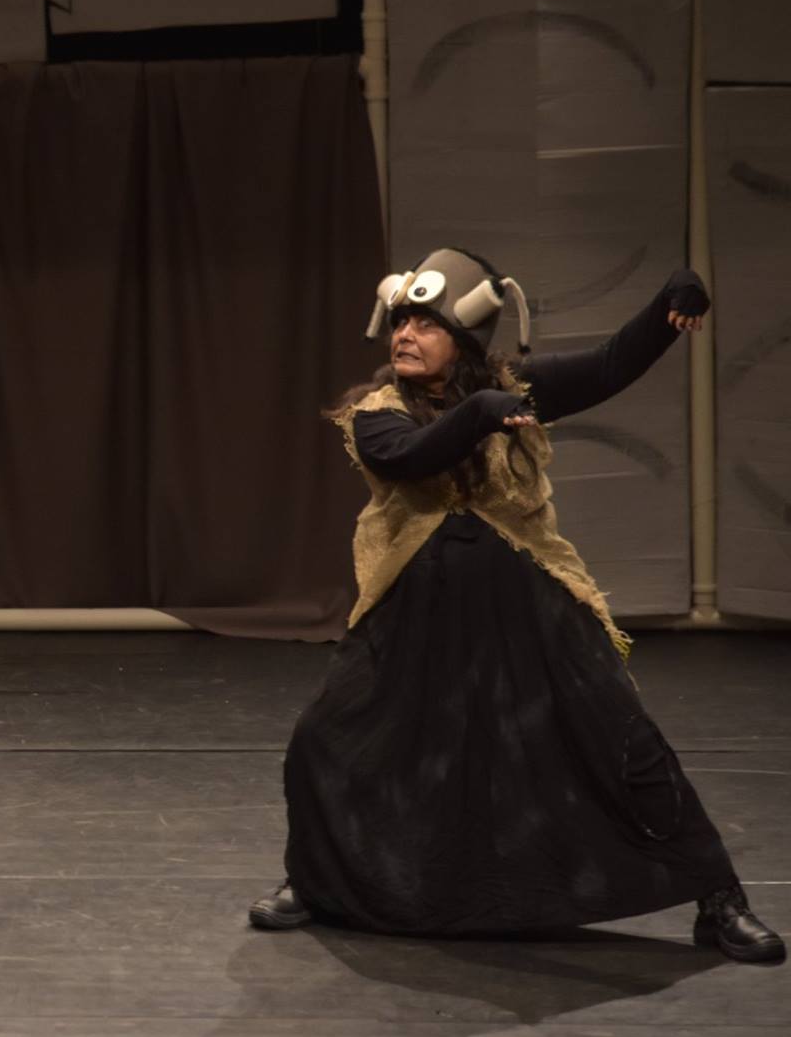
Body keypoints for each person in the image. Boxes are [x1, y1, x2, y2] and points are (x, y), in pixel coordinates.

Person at [251, 247, 784, 966]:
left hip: (532, 610)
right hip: (413, 617)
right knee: (329, 739)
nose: (405, 334)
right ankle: (314, 881)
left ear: (464, 338)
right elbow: (414, 456)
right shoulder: (376, 414)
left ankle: (718, 899)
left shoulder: (513, 390)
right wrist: (481, 413)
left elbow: (608, 366)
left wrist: (669, 305)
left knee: (625, 744)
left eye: (425, 324)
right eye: (400, 321)